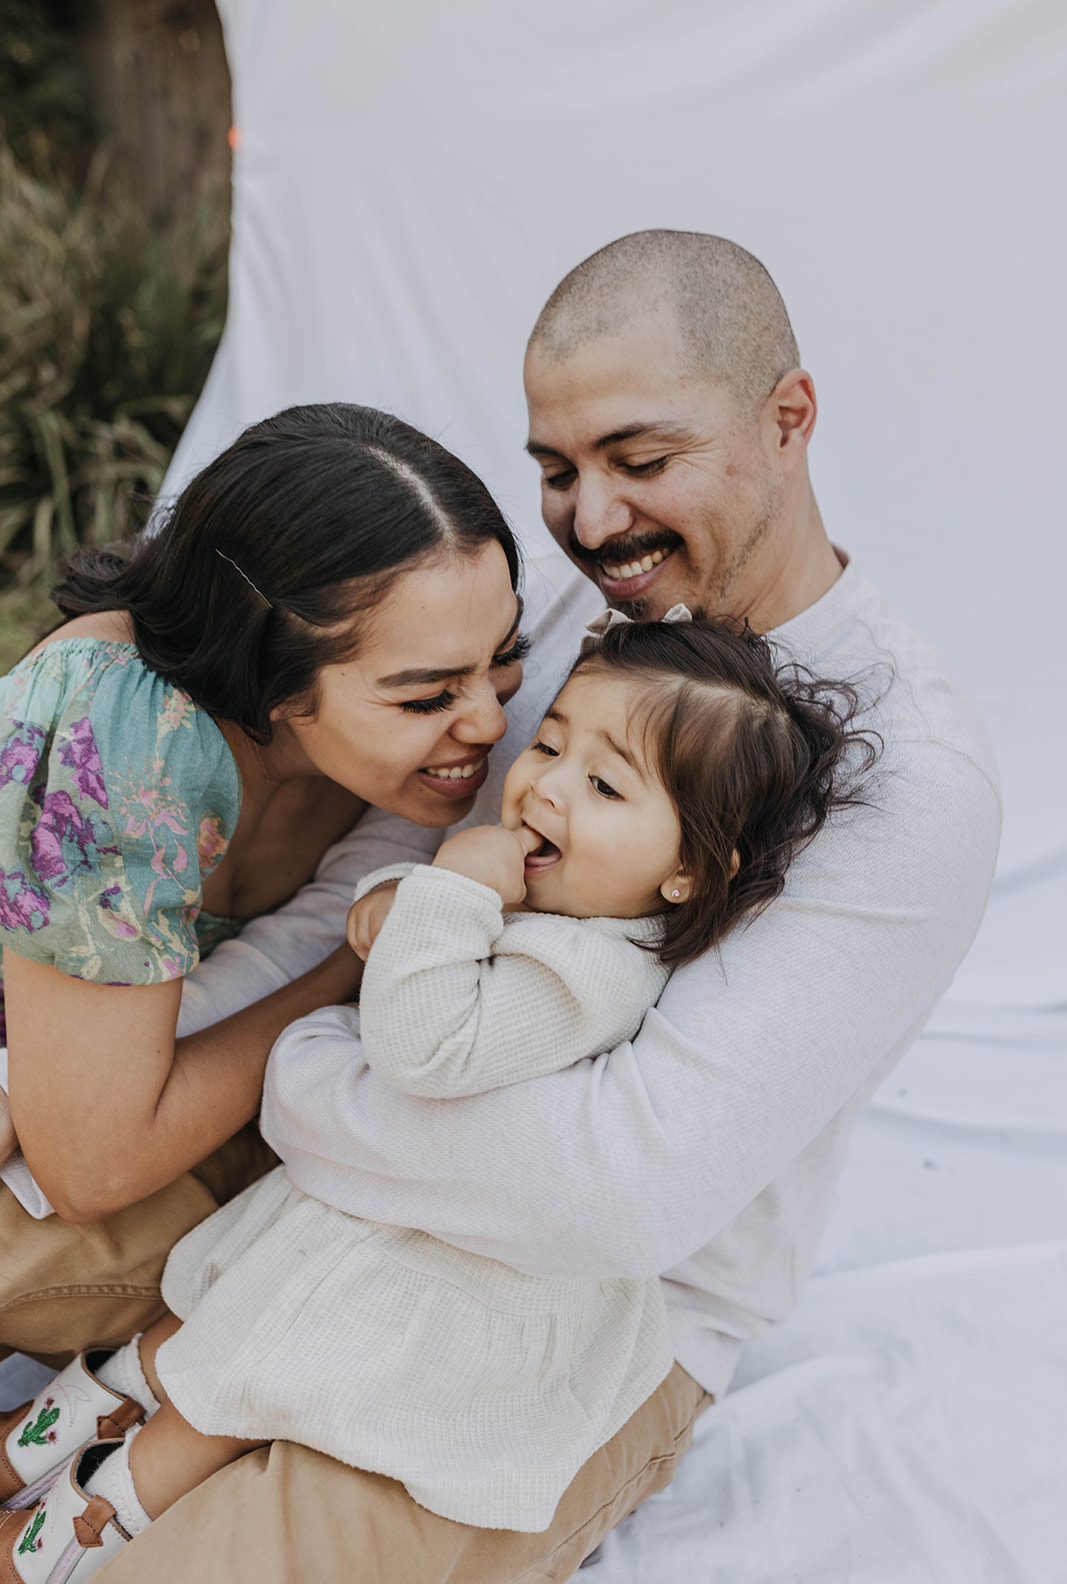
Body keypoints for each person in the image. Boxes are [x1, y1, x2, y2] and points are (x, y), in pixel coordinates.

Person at [21, 231, 1004, 1584]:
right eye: (557, 470)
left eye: (639, 461)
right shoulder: (558, 620)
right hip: (329, 1169)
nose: (591, 522)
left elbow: (616, 1196)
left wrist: (315, 1067)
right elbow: (346, 910)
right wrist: (92, 1083)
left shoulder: (910, 780)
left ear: (787, 419)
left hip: (564, 1313)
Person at [0, 613, 874, 1574]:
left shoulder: (588, 978)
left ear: (689, 871)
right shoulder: (534, 906)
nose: (543, 782)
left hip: (406, 1287)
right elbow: (413, 950)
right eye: (549, 743)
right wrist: (402, 896)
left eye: (604, 783)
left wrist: (448, 895)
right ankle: (30, 1451)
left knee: (204, 1407)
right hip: (338, 1229)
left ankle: (52, 1542)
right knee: (174, 1349)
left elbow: (420, 1047)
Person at [0, 401, 527, 1365]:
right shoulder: (117, 732)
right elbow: (95, 1160)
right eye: (428, 694)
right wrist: (348, 971)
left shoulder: (386, 766)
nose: (492, 723)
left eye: (504, 660)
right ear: (274, 685)